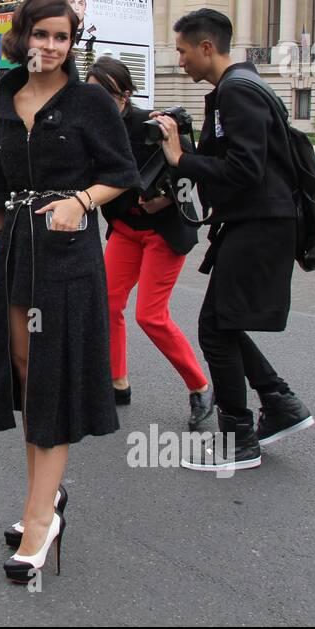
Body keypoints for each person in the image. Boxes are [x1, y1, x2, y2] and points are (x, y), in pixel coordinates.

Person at [0, 0, 139, 583]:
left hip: (69, 257)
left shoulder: (90, 100)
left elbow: (123, 174)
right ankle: (44, 497)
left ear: (73, 43)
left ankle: (40, 517)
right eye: (41, 35)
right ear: (21, 37)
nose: (50, 47)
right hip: (20, 250)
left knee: (50, 377)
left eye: (62, 38)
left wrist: (79, 201)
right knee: (25, 374)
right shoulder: (6, 98)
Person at [154, 8, 315, 473]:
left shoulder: (236, 93)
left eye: (183, 51)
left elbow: (244, 169)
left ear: (207, 47)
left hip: (260, 224)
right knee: (222, 322)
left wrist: (182, 159)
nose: (179, 60)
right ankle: (279, 403)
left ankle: (239, 439)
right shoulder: (241, 87)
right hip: (259, 222)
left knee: (215, 327)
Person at [88, 58, 213, 430]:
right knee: (108, 303)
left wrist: (167, 198)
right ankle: (117, 382)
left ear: (124, 96)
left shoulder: (152, 125)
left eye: (104, 95)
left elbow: (191, 172)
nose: (96, 103)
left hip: (162, 231)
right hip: (126, 228)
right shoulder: (90, 130)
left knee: (150, 315)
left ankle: (200, 387)